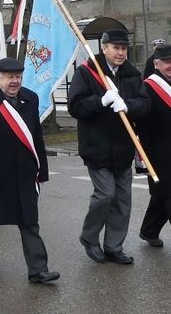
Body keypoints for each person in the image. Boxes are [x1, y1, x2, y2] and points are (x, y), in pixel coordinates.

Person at [0, 57, 59, 283]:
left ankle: (38, 270)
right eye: (10, 77)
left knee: (29, 221)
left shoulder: (30, 98)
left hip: (24, 172)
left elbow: (35, 137)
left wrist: (41, 170)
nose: (15, 82)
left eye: (18, 77)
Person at [68, 29, 150, 264]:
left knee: (123, 199)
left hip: (123, 147)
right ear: (103, 48)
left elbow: (145, 104)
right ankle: (90, 237)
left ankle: (114, 246)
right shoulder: (87, 72)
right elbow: (76, 107)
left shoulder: (132, 75)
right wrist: (101, 100)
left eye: (124, 48)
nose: (121, 52)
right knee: (105, 194)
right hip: (97, 146)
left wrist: (128, 106)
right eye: (116, 48)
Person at [138, 43, 171, 247]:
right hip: (160, 152)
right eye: (167, 62)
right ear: (156, 64)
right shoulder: (148, 87)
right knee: (168, 193)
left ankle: (149, 231)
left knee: (162, 195)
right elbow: (143, 125)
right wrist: (145, 157)